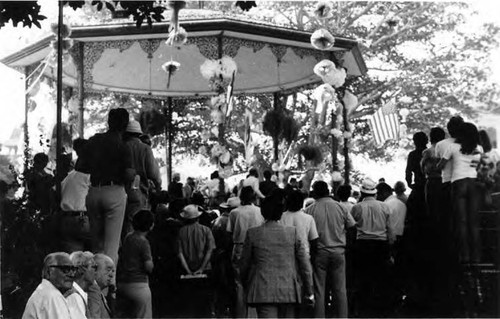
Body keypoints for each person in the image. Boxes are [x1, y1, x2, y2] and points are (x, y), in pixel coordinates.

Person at [240, 196, 314, 318]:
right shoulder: (292, 232)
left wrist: (246, 284)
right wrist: (309, 291)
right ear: (280, 213)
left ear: (263, 212)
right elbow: (304, 264)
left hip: (263, 290)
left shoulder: (253, 233)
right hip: (289, 290)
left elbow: (244, 264)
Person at [83, 108, 135, 264]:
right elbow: (129, 174)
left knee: (96, 246)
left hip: (93, 190)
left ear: (108, 122)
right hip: (114, 191)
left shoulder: (94, 140)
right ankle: (109, 286)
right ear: (125, 125)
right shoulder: (123, 145)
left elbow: (82, 165)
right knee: (111, 248)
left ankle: (94, 285)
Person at [305, 181, 355, 318]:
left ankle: (320, 316)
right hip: (339, 251)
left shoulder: (310, 210)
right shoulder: (340, 207)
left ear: (315, 192)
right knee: (340, 288)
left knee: (319, 289)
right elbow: (352, 227)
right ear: (328, 190)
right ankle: (342, 316)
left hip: (320, 251)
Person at [438, 122, 483, 265]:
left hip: (458, 183)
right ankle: (476, 256)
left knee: (461, 222)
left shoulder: (452, 147)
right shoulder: (479, 148)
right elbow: (477, 167)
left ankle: (464, 255)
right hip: (474, 184)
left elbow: (440, 166)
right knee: (474, 222)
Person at [351, 177, 394, 317]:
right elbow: (390, 230)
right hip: (381, 245)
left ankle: (364, 307)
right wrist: (390, 248)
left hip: (363, 244)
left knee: (363, 277)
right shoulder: (385, 207)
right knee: (380, 277)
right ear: (375, 193)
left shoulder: (356, 208)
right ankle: (380, 308)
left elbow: (351, 228)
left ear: (362, 193)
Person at [226, 186, 264, 318]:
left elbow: (229, 234)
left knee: (239, 284)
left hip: (239, 248)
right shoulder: (259, 212)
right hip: (256, 248)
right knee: (254, 282)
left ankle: (241, 315)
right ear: (254, 198)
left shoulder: (234, 213)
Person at [122, 119, 162, 239]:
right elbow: (154, 174)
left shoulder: (121, 147)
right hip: (138, 193)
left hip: (119, 192)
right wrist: (158, 188)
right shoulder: (145, 149)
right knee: (136, 226)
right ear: (139, 134)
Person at [116, 210, 155, 318]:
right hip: (139, 286)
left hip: (122, 284)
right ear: (151, 226)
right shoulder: (144, 242)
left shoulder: (128, 237)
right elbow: (148, 266)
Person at [22, 252, 78, 319]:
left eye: (73, 269)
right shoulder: (52, 296)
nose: (72, 274)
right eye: (65, 269)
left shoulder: (44, 292)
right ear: (48, 272)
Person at [59, 138, 91, 252]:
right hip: (82, 219)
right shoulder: (89, 177)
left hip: (66, 219)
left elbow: (55, 193)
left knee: (73, 259)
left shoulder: (69, 176)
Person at [212, 197, 240, 317]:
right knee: (231, 284)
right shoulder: (231, 221)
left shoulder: (217, 221)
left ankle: (221, 310)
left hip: (218, 257)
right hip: (228, 256)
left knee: (221, 285)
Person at [280, 189, 319, 259]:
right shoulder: (308, 218)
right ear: (301, 203)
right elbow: (314, 241)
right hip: (304, 255)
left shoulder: (280, 217)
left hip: (285, 255)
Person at [421, 127, 446, 223]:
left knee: (432, 210)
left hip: (432, 182)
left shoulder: (427, 152)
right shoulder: (448, 150)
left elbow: (424, 170)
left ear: (431, 137)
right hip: (446, 182)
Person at [68, 251, 97, 318]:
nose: (96, 272)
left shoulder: (78, 295)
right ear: (82, 269)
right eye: (94, 267)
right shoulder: (74, 296)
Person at [88, 253, 115, 319]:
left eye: (113, 271)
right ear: (95, 270)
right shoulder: (90, 292)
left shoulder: (101, 293)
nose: (111, 275)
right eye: (108, 270)